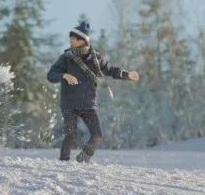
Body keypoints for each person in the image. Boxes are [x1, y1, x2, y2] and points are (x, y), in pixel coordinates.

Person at [47, 22, 139, 163]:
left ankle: (82, 160)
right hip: (69, 103)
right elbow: (51, 75)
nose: (70, 41)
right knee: (70, 134)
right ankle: (63, 162)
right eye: (70, 38)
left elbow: (111, 70)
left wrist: (126, 74)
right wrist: (64, 75)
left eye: (73, 38)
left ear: (82, 40)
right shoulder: (66, 58)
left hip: (89, 104)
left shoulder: (97, 59)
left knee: (97, 136)